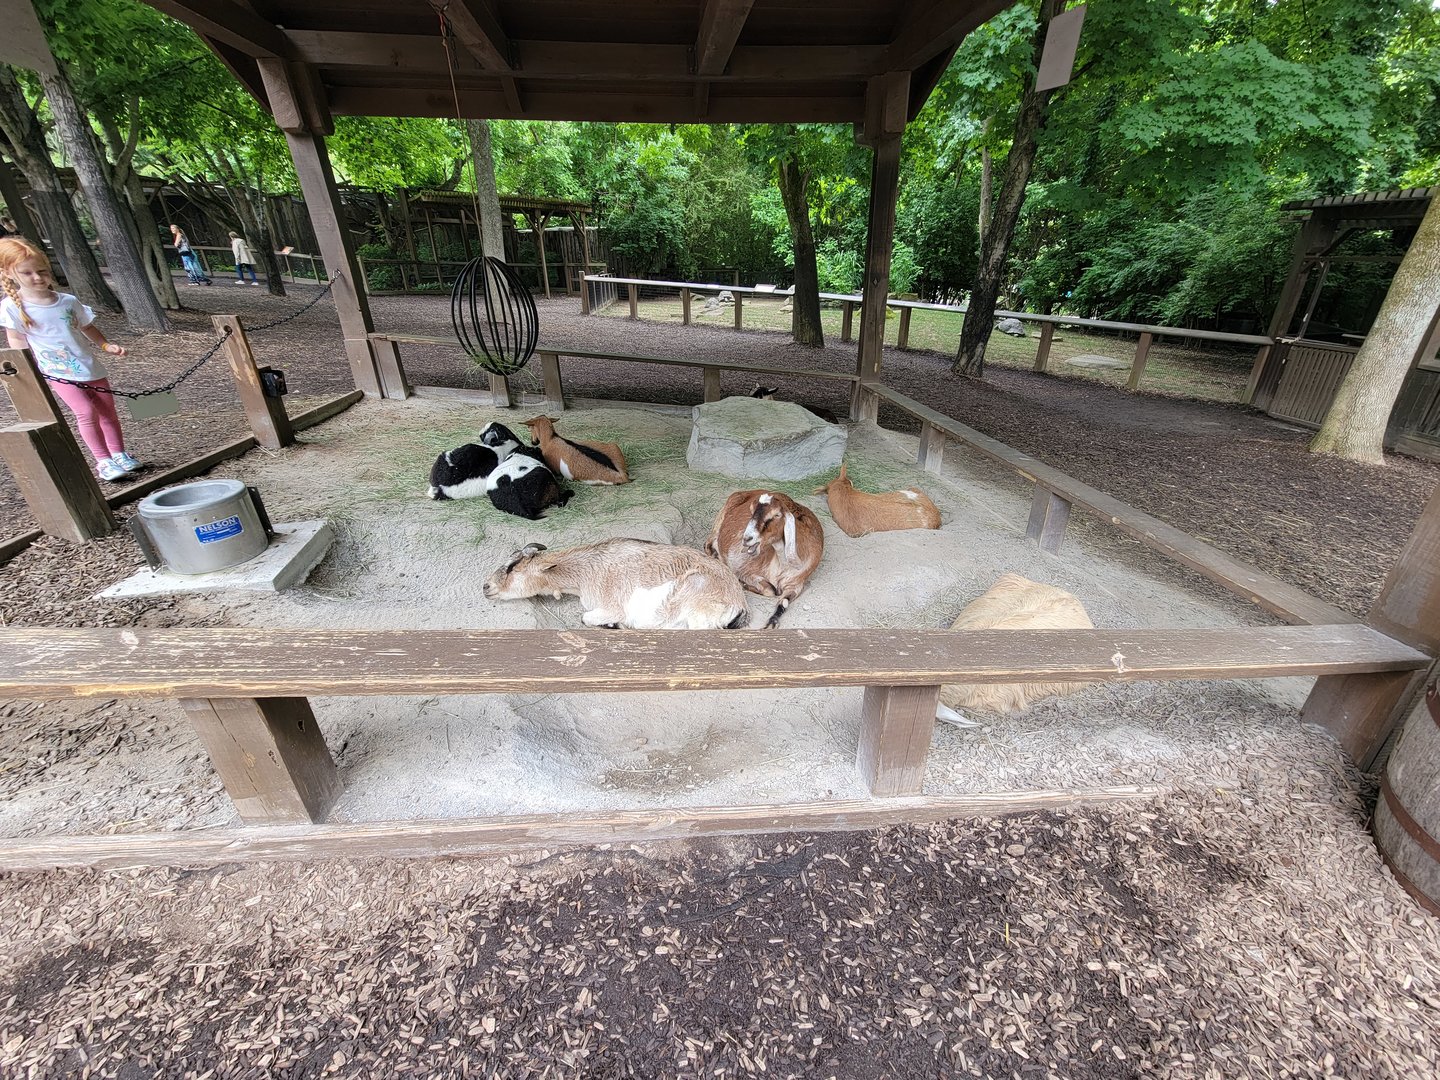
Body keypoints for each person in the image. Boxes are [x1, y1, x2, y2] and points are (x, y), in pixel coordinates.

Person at [0, 237, 144, 482]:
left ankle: (119, 453)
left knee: (108, 412)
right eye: (27, 273)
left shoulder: (66, 302)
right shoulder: (12, 308)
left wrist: (106, 345)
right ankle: (103, 460)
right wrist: (30, 370)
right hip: (58, 371)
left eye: (42, 271)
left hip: (89, 367)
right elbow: (17, 341)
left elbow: (87, 327)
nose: (37, 277)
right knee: (86, 412)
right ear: (9, 274)